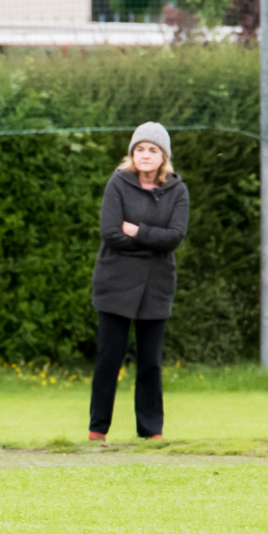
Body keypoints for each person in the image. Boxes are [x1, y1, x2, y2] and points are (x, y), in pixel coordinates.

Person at [89, 122, 189, 441]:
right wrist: (151, 240)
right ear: (132, 154)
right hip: (114, 283)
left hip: (157, 286)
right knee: (109, 359)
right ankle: (98, 430)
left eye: (153, 150)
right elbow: (111, 233)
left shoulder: (177, 190)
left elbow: (174, 237)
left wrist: (137, 230)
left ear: (163, 157)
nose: (145, 156)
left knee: (150, 363)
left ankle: (151, 431)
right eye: (140, 149)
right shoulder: (117, 184)